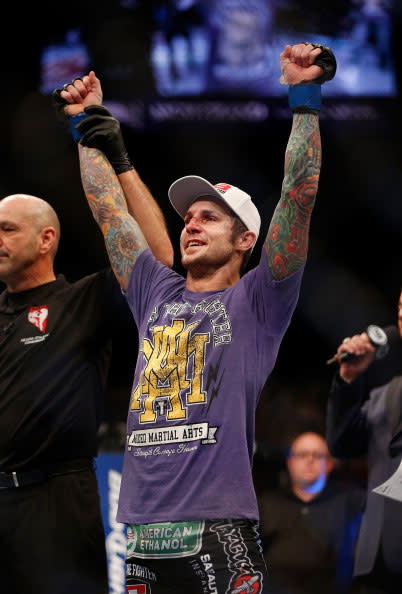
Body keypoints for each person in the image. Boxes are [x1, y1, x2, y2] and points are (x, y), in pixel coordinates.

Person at [59, 42, 336, 593]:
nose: (191, 224)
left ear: (246, 240)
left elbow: (298, 196)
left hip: (219, 526)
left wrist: (304, 98)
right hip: (140, 529)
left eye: (210, 217)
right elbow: (108, 211)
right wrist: (83, 122)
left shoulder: (261, 299)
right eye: (188, 216)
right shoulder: (154, 292)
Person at [0, 77, 173, 593]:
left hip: (57, 501)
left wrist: (111, 154)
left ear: (45, 238)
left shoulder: (81, 302)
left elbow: (158, 259)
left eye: (7, 229)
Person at [326, 289, 402, 594]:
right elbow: (341, 444)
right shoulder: (386, 394)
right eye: (400, 305)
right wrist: (349, 378)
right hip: (380, 562)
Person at [258, 431, 365, 594]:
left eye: (317, 455)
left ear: (329, 464)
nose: (310, 460)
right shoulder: (267, 504)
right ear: (290, 462)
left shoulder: (351, 502)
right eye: (302, 455)